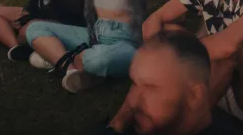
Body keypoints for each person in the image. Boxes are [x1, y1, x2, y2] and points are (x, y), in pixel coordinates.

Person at [100, 32, 234, 135]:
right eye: (135, 83)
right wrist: (118, 122)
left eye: (151, 88)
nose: (133, 102)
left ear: (194, 96)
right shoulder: (155, 125)